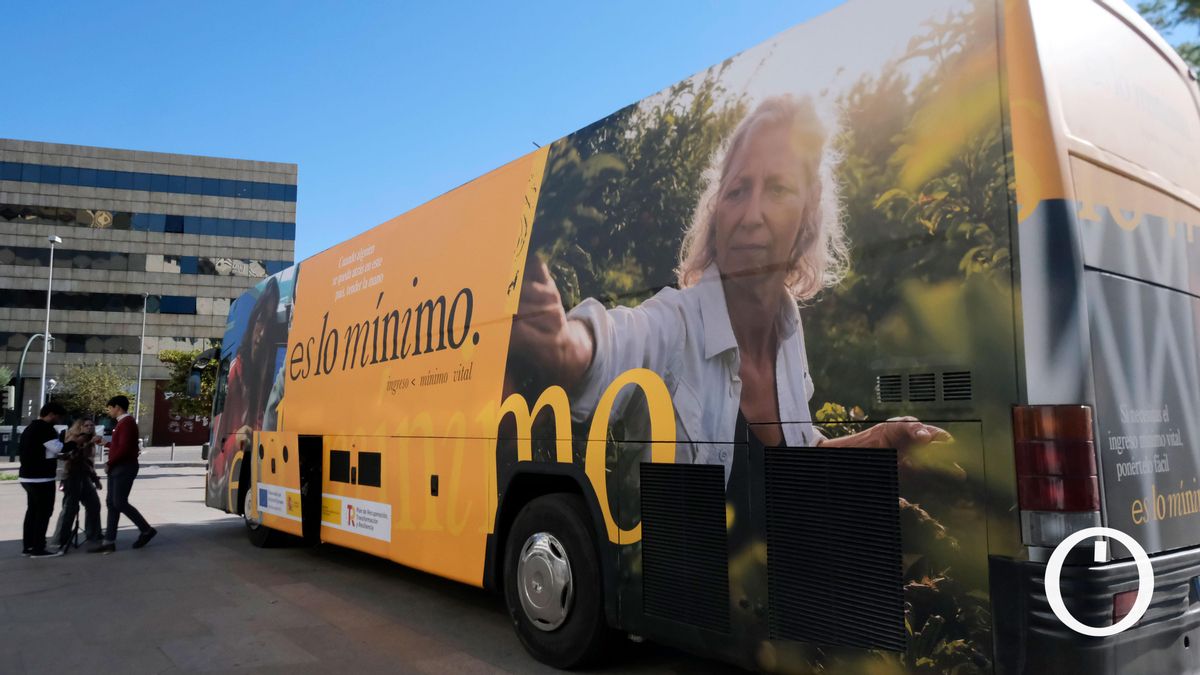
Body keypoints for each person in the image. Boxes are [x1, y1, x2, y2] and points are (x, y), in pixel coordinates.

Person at [509, 96, 947, 481]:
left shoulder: (790, 337)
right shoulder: (676, 326)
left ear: (808, 211)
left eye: (777, 189)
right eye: (737, 190)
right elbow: (619, 339)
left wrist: (873, 443)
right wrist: (566, 346)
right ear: (717, 209)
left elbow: (792, 460)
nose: (751, 214)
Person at [89, 395, 156, 553]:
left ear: (117, 407)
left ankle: (146, 530)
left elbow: (125, 449)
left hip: (124, 467)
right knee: (112, 504)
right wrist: (107, 444)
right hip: (119, 467)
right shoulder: (122, 423)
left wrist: (109, 463)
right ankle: (109, 541)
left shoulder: (127, 423)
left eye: (110, 408)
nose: (109, 411)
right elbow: (121, 446)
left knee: (119, 502)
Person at [19, 402, 67, 558]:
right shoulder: (45, 429)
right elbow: (58, 448)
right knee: (43, 512)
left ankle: (28, 547)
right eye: (58, 417)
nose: (59, 421)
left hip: (27, 476)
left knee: (32, 512)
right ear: (51, 414)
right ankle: (39, 548)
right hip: (41, 477)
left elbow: (46, 450)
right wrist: (75, 443)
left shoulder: (30, 428)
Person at [52, 418, 104, 549]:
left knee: (93, 504)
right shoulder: (74, 439)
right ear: (79, 427)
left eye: (92, 425)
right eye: (86, 425)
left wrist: (95, 478)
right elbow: (69, 456)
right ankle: (60, 538)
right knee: (70, 507)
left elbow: (89, 462)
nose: (90, 428)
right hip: (72, 476)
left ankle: (94, 534)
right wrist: (86, 444)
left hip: (85, 476)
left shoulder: (91, 441)